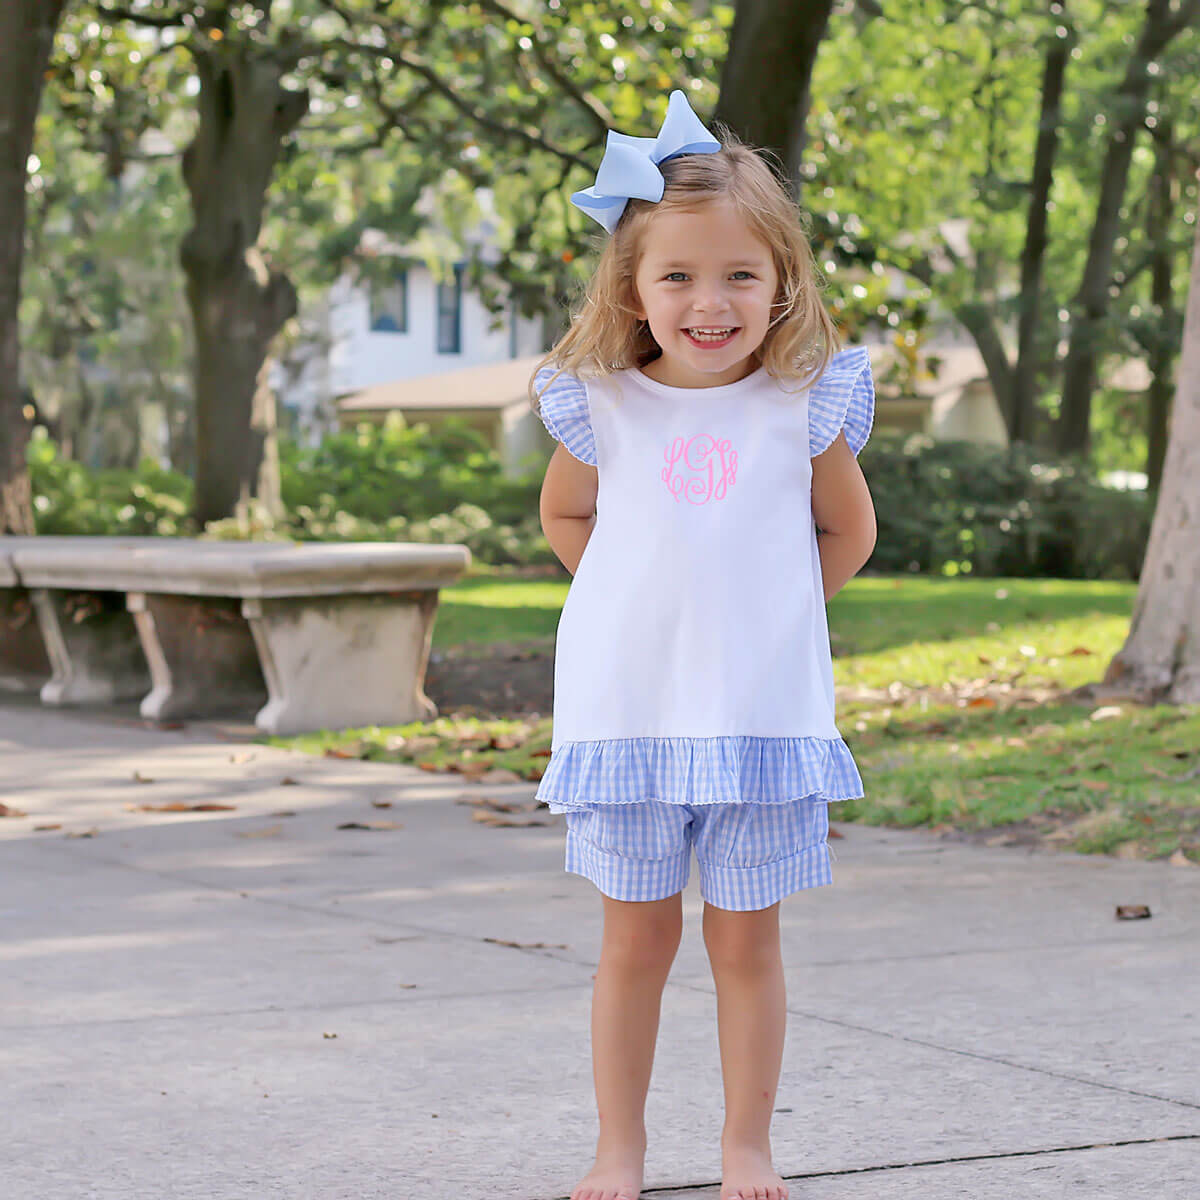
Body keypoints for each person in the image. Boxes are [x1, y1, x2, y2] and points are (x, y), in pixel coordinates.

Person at [530, 90, 877, 1200]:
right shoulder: (602, 405)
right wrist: (632, 601)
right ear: (633, 289)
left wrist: (771, 610)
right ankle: (617, 1148)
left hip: (758, 721)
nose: (710, 301)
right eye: (677, 277)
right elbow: (567, 520)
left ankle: (746, 1147)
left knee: (746, 947)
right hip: (630, 716)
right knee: (633, 947)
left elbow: (848, 532)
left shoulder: (801, 403)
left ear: (781, 283)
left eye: (738, 275)